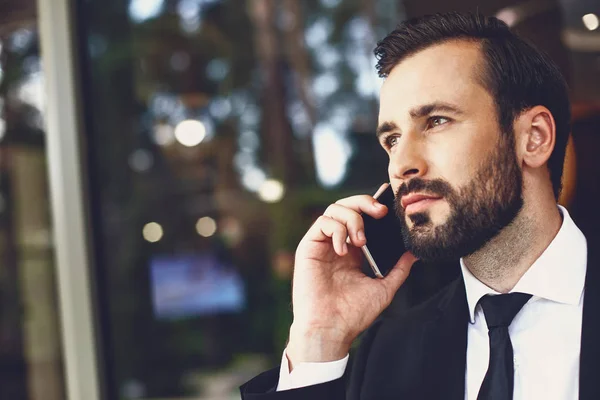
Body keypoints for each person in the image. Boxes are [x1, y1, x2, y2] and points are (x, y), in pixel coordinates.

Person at [240, 11, 600, 400]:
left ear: (533, 138)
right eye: (391, 140)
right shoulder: (388, 355)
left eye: (437, 121)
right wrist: (318, 339)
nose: (400, 165)